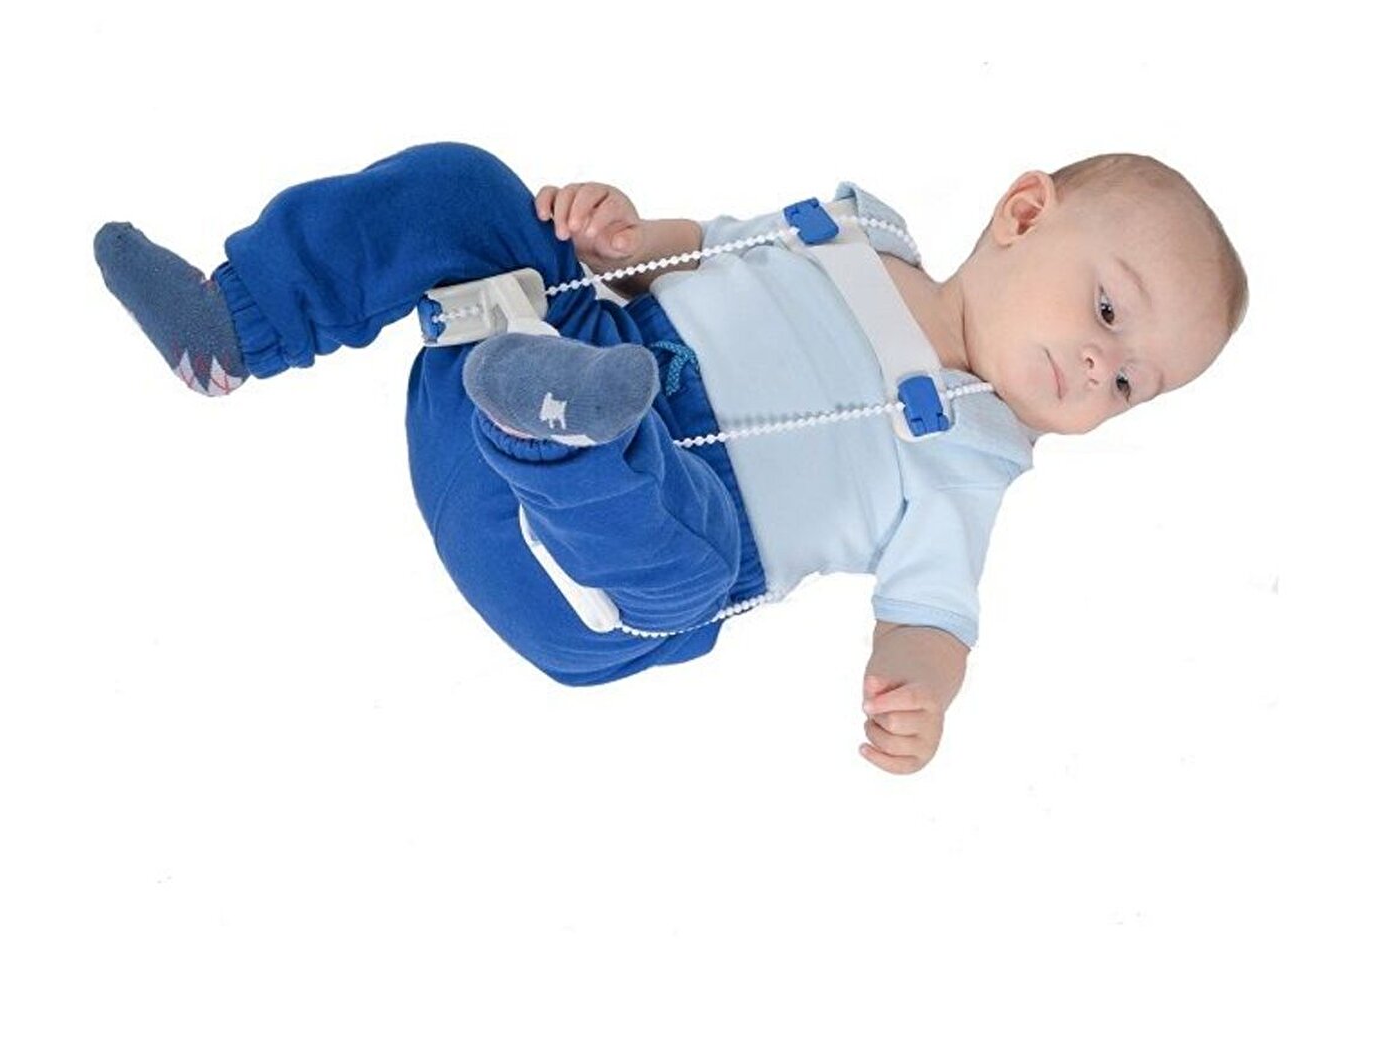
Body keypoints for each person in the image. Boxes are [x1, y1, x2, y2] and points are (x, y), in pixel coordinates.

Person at [92, 141, 1247, 776]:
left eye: (1131, 384)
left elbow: (930, 615)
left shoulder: (972, 455)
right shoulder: (857, 230)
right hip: (567, 349)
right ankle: (237, 322)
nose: (1099, 368)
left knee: (689, 562)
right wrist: (617, 233)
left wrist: (920, 692)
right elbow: (684, 256)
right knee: (469, 189)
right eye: (1108, 313)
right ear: (1025, 213)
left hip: (599, 572)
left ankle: (560, 432)